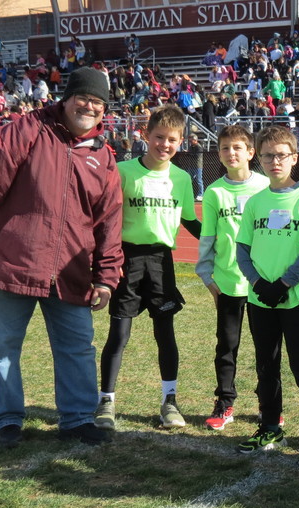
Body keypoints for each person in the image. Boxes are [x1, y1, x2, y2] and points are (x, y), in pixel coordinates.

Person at [0, 67, 122, 448]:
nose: (90, 106)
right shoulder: (24, 131)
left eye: (98, 102)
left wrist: (105, 276)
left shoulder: (103, 156)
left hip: (70, 273)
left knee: (77, 348)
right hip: (12, 263)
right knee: (4, 348)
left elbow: (108, 223)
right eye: (84, 98)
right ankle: (7, 420)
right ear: (67, 97)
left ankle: (78, 420)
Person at [93, 105, 201, 431]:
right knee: (119, 334)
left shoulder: (181, 179)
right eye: (158, 137)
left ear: (181, 142)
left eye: (171, 140)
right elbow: (105, 219)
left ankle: (170, 402)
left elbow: (190, 222)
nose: (164, 145)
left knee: (165, 334)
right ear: (145, 135)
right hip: (126, 260)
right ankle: (106, 401)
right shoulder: (123, 171)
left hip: (161, 263)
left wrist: (225, 237)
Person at [234, 125, 299, 467]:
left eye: (281, 155)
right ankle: (270, 426)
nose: (274, 161)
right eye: (267, 155)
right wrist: (260, 285)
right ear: (258, 158)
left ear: (294, 157)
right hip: (260, 298)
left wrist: (283, 284)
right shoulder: (256, 201)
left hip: (296, 298)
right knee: (266, 365)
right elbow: (242, 249)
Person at [196, 125, 271, 431]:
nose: (231, 153)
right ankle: (225, 402)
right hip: (228, 285)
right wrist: (208, 279)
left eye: (238, 147)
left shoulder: (266, 187)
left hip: (262, 285)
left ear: (251, 153)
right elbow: (208, 239)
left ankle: (270, 404)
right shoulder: (215, 192)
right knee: (226, 347)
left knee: (267, 348)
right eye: (225, 148)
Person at [186, 132, 205, 201]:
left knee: (199, 181)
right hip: (191, 166)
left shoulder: (199, 147)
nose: (190, 142)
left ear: (195, 140)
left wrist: (189, 153)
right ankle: (189, 193)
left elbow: (197, 156)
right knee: (189, 180)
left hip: (198, 166)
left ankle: (201, 194)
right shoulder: (191, 147)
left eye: (191, 141)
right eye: (189, 141)